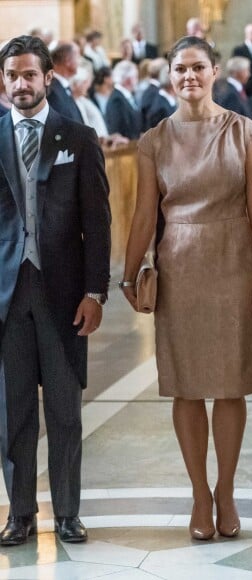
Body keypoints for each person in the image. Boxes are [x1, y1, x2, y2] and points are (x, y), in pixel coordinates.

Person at [121, 35, 252, 541]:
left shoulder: (246, 132)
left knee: (230, 384)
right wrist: (128, 272)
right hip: (179, 266)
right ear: (170, 76)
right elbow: (145, 212)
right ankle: (198, 494)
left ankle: (226, 489)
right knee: (186, 385)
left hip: (234, 261)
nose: (189, 76)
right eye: (180, 69)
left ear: (214, 72)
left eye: (198, 67)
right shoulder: (153, 140)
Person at [0, 35, 111, 546]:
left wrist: (96, 291)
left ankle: (68, 511)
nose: (21, 84)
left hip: (64, 294)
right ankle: (19, 514)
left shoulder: (78, 137)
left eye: (29, 74)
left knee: (64, 412)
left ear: (48, 77)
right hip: (6, 295)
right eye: (12, 75)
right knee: (12, 414)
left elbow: (98, 221)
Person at [47, 42, 84, 123]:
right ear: (67, 60)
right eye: (78, 56)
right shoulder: (52, 91)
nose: (80, 61)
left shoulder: (63, 87)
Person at [105, 59, 141, 140]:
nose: (137, 80)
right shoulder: (117, 100)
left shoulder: (126, 96)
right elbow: (117, 131)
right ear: (129, 79)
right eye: (136, 77)